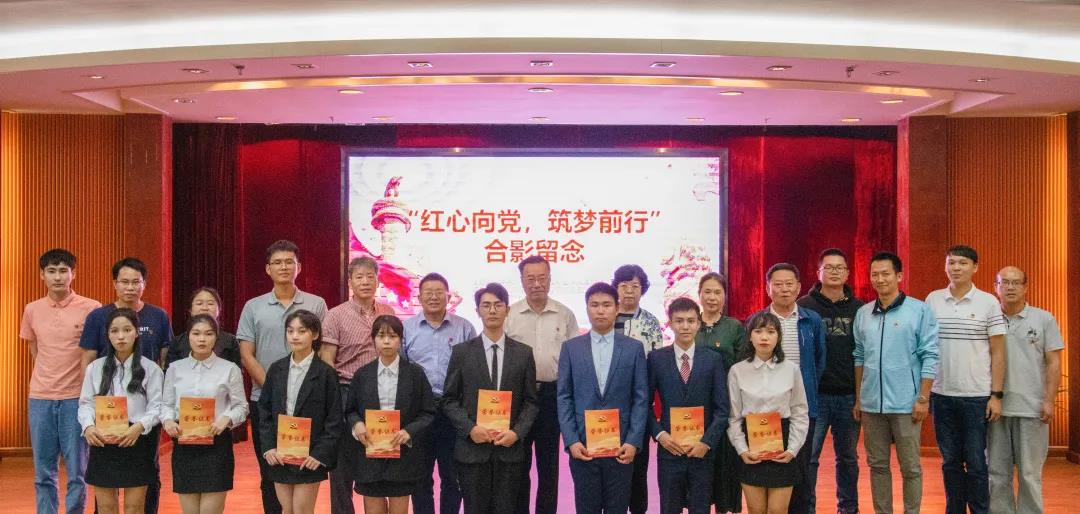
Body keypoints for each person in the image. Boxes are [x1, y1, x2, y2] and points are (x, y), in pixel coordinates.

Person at [239, 240, 328, 514]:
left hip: (307, 403)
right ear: (268, 269)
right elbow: (247, 354)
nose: (284, 267)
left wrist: (300, 390)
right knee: (270, 469)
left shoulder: (316, 303)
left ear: (299, 267)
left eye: (289, 261)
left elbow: (322, 350)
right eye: (277, 262)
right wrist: (274, 389)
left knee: (304, 468)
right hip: (265, 401)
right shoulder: (253, 306)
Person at [78, 257, 172, 514]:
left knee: (135, 507)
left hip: (137, 438)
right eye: (114, 331)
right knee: (106, 507)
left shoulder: (151, 368)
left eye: (127, 331)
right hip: (103, 436)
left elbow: (157, 404)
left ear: (136, 333)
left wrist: (138, 427)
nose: (120, 336)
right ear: (107, 334)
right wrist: (88, 426)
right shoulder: (96, 368)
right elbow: (85, 402)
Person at [853, 252, 939, 514]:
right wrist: (859, 398)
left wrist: (923, 398)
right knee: (877, 466)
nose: (880, 279)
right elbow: (859, 356)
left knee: (910, 467)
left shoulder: (919, 310)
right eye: (875, 274)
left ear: (898, 276)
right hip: (871, 405)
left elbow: (930, 355)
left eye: (885, 274)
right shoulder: (864, 313)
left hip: (906, 404)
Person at [443, 283, 539, 514]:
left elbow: (531, 401)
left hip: (509, 449)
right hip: (473, 449)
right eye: (486, 305)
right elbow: (449, 400)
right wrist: (470, 429)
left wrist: (517, 433)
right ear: (478, 311)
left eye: (498, 305)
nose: (492, 310)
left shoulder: (523, 353)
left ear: (507, 310)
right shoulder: (462, 352)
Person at [925, 245, 1006, 514]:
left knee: (976, 462)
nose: (956, 268)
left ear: (975, 267)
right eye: (951, 262)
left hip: (976, 397)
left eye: (962, 263)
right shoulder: (933, 300)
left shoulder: (988, 302)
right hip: (941, 395)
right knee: (950, 462)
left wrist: (996, 395)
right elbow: (925, 347)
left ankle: (980, 510)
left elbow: (998, 351)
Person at [20, 248, 101, 514]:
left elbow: (97, 353)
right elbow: (35, 350)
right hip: (40, 398)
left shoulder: (92, 308)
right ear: (41, 275)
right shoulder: (32, 309)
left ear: (73, 274)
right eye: (51, 271)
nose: (58, 277)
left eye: (63, 271)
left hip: (76, 399)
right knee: (43, 472)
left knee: (78, 472)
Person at [556, 282, 648, 514]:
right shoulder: (571, 348)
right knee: (586, 508)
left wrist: (633, 441)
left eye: (606, 305)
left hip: (621, 448)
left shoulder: (634, 348)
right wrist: (571, 441)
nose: (600, 310)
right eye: (594, 305)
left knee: (618, 508)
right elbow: (564, 396)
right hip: (583, 447)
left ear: (617, 308)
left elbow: (640, 398)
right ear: (587, 308)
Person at [320, 257, 395, 514]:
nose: (365, 281)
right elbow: (327, 360)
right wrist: (334, 402)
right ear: (350, 282)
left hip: (382, 394)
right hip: (346, 390)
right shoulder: (335, 315)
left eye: (370, 276)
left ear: (377, 280)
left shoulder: (388, 312)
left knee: (378, 459)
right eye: (359, 277)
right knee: (342, 466)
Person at [506, 255, 579, 514]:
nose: (536, 284)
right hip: (519, 399)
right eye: (530, 278)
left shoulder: (564, 314)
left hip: (552, 396)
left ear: (549, 279)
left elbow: (575, 358)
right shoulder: (510, 314)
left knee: (549, 467)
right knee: (518, 465)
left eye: (541, 278)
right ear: (522, 281)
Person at [989, 266, 1063, 514]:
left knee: (1030, 474)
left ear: (1025, 287)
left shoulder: (1044, 319)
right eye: (1004, 282)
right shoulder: (989, 318)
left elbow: (1054, 363)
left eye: (1016, 282)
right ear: (996, 287)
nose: (1010, 287)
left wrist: (1049, 400)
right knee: (996, 473)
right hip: (996, 409)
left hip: (1032, 409)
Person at [795, 248, 863, 514]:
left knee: (848, 459)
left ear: (847, 273)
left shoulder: (859, 309)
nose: (834, 272)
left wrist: (860, 397)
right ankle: (806, 508)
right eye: (829, 267)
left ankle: (848, 508)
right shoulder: (803, 306)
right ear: (818, 272)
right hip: (815, 397)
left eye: (839, 268)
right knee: (809, 458)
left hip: (848, 396)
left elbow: (863, 355)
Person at [753, 263, 825, 514]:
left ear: (798, 287)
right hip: (766, 409)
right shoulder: (757, 321)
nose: (784, 289)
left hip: (803, 407)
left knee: (802, 468)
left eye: (789, 284)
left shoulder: (811, 320)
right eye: (778, 284)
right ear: (768, 288)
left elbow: (819, 360)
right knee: (770, 469)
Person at [347, 315, 437, 514]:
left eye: (392, 336)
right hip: (370, 456)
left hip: (402, 458)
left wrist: (409, 431)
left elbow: (428, 412)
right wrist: (357, 424)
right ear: (373, 339)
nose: (386, 341)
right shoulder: (362, 374)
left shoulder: (415, 374)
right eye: (381, 336)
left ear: (400, 340)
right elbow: (350, 410)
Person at [402, 272, 476, 514]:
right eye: (428, 293)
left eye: (438, 292)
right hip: (419, 410)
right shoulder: (407, 328)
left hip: (453, 409)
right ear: (419, 297)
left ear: (448, 296)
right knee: (420, 475)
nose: (433, 297)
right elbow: (401, 369)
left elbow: (474, 371)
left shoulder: (464, 327)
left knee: (452, 475)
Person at [647, 298, 729, 514]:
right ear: (670, 324)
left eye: (691, 321)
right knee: (669, 508)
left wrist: (706, 442)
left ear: (698, 324)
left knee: (700, 508)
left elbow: (722, 409)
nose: (685, 326)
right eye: (679, 321)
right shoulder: (656, 359)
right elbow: (643, 405)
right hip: (669, 449)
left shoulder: (713, 360)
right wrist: (660, 435)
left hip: (701, 452)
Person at [160, 314, 249, 514]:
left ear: (216, 337)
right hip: (184, 445)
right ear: (188, 337)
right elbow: (166, 405)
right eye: (196, 333)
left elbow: (242, 407)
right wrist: (168, 421)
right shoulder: (175, 368)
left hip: (217, 445)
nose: (202, 339)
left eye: (208, 334)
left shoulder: (229, 369)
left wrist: (227, 419)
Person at [257, 310, 342, 514]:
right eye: (290, 331)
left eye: (302, 331)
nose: (295, 336)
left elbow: (334, 419)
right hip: (280, 454)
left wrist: (319, 454)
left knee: (302, 510)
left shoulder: (326, 373)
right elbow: (264, 410)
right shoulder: (276, 369)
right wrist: (269, 447)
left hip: (309, 456)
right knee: (287, 509)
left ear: (315, 334)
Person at [727, 312, 809, 514]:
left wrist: (792, 449)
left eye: (771, 332)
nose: (764, 337)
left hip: (782, 443)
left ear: (778, 337)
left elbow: (800, 412)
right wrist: (742, 450)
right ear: (750, 336)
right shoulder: (737, 371)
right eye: (758, 331)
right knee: (756, 510)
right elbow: (733, 417)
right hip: (750, 443)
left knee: (778, 510)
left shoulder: (791, 369)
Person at [610, 264, 663, 514]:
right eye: (623, 286)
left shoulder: (650, 322)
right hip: (606, 405)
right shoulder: (606, 318)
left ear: (643, 289)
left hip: (639, 404)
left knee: (638, 466)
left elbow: (656, 362)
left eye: (635, 286)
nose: (629, 291)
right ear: (615, 288)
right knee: (611, 465)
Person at [694, 272, 745, 514]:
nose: (712, 297)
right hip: (695, 406)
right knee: (699, 465)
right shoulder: (691, 324)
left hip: (727, 405)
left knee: (726, 464)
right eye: (707, 292)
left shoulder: (734, 327)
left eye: (717, 292)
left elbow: (742, 365)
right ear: (699, 294)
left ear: (725, 296)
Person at [165, 287, 242, 369]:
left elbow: (236, 371)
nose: (205, 308)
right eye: (199, 303)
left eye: (210, 304)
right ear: (190, 310)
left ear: (219, 309)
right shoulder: (177, 342)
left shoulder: (230, 341)